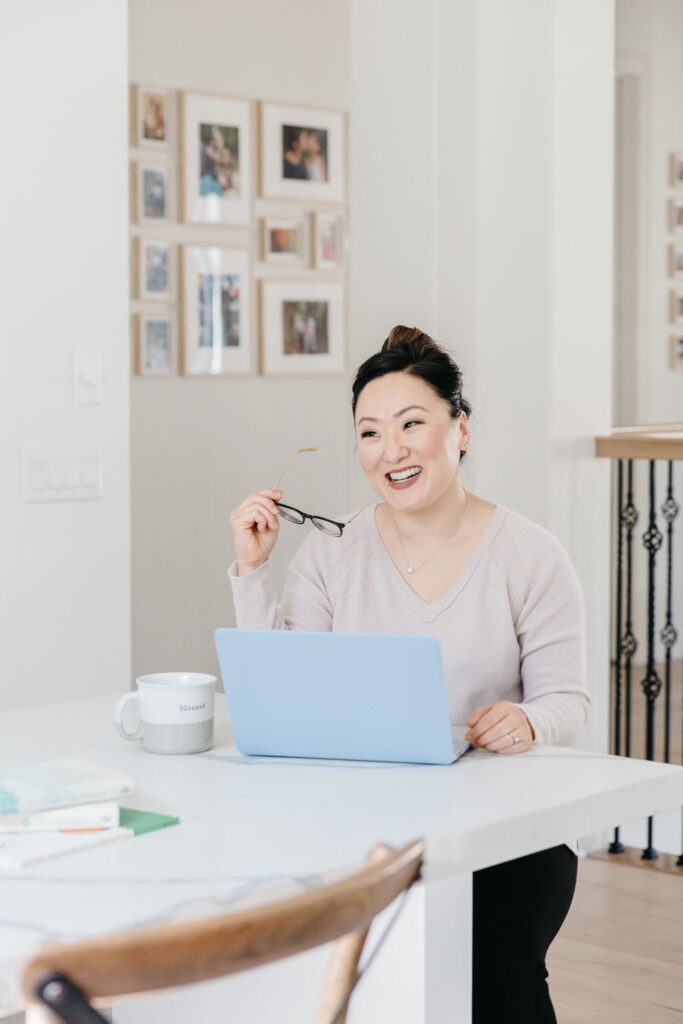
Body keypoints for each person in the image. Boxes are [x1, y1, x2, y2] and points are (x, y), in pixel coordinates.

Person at [229, 325, 589, 1024]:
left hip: (505, 833)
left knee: (493, 975)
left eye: (410, 425)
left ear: (460, 429)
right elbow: (288, 689)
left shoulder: (530, 554)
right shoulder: (331, 553)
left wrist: (526, 720)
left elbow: (566, 700)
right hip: (365, 824)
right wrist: (252, 571)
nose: (389, 450)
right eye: (368, 433)